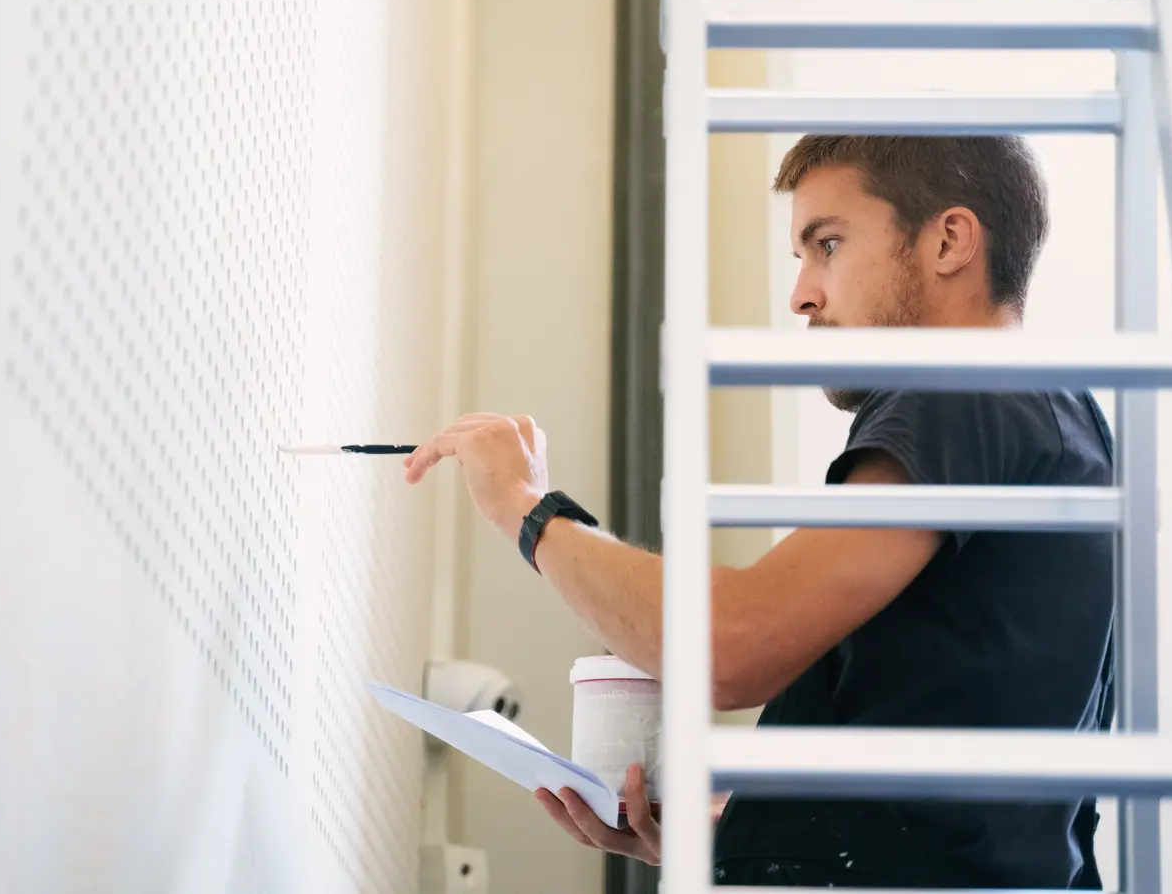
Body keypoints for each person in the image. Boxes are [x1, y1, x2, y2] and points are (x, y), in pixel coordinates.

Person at [402, 134, 1116, 889]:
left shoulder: (965, 390)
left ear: (948, 240)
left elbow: (730, 644)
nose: (802, 294)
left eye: (829, 244)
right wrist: (742, 830)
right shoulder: (1033, 411)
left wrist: (526, 506)